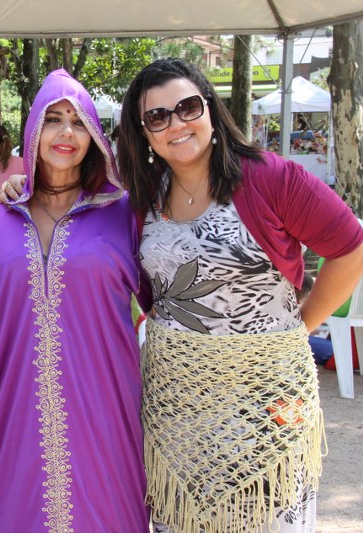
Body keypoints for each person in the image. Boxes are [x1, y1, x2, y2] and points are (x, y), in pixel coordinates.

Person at [116, 58, 363, 533]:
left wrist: (302, 327)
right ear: (143, 133)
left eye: (188, 107)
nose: (176, 124)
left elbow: (350, 249)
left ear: (210, 108)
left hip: (266, 393)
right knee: (182, 517)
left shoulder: (271, 178)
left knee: (267, 516)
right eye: (157, 117)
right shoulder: (145, 197)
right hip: (178, 401)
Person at [0, 69, 149, 532]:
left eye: (78, 122)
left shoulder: (123, 213)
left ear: (94, 137)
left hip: (103, 407)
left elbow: (164, 302)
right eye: (53, 120)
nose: (66, 132)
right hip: (14, 409)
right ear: (33, 130)